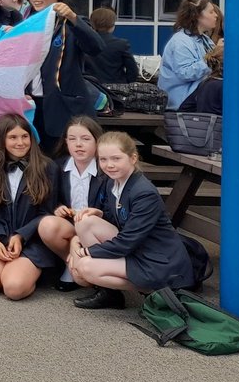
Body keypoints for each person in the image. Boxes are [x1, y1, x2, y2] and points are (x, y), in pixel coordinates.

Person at [68, 131, 195, 309]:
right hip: (138, 248)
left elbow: (127, 241)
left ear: (133, 158)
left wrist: (85, 252)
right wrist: (101, 214)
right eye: (103, 159)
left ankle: (158, 291)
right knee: (85, 221)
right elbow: (118, 220)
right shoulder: (112, 182)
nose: (109, 165)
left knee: (85, 268)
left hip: (157, 260)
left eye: (116, 158)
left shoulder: (144, 192)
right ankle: (110, 294)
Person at [0, 113, 60, 301]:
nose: (20, 142)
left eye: (24, 136)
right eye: (13, 137)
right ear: (2, 139)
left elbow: (48, 214)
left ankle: (31, 273)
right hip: (0, 235)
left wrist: (21, 235)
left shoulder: (47, 168)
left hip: (31, 240)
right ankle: (9, 267)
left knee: (13, 288)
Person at [26, 0, 103, 155]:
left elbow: (96, 47)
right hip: (32, 106)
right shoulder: (26, 23)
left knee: (64, 162)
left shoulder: (71, 23)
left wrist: (73, 18)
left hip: (64, 108)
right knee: (38, 164)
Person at [37, 115, 107, 292]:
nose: (78, 144)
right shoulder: (58, 166)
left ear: (97, 141)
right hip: (69, 224)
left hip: (95, 226)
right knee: (47, 225)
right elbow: (51, 199)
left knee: (85, 225)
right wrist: (58, 207)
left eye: (85, 139)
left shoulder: (105, 169)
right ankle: (71, 263)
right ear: (65, 142)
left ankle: (82, 267)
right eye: (72, 139)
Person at [157, 0, 218, 110]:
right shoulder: (181, 41)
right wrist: (214, 57)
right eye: (211, 12)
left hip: (198, 96)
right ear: (198, 16)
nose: (216, 15)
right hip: (182, 100)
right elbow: (185, 73)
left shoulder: (205, 40)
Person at [84, 6, 139, 84]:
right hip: (116, 89)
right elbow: (133, 70)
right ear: (112, 26)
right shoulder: (122, 44)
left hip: (91, 88)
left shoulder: (83, 43)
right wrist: (126, 83)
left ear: (92, 25)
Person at [181, 41, 222, 115]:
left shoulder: (205, 83)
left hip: (201, 124)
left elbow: (184, 109)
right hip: (222, 125)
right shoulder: (227, 87)